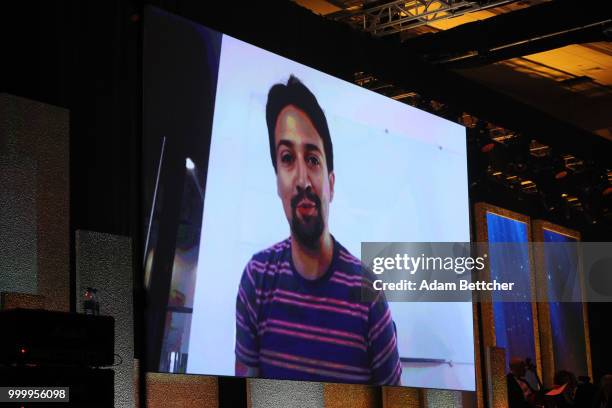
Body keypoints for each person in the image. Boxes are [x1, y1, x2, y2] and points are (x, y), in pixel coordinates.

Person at [234, 75, 402, 385]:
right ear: (276, 181)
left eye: (312, 159)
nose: (301, 180)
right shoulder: (256, 279)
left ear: (331, 184)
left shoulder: (369, 294)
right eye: (287, 158)